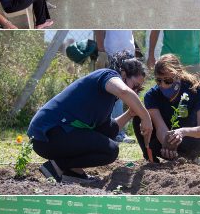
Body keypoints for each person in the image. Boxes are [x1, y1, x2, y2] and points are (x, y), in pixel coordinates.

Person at [27, 50, 153, 183]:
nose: (135, 92)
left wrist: (130, 114)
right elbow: (124, 91)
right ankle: (57, 165)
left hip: (54, 137)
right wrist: (146, 117)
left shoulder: (108, 99)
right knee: (110, 150)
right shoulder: (108, 75)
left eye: (139, 89)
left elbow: (108, 129)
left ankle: (72, 172)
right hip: (47, 134)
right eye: (135, 86)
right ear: (123, 74)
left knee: (108, 145)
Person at [134, 54, 200, 163]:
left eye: (168, 80)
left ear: (178, 75)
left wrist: (182, 132)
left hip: (192, 140)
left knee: (191, 145)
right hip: (165, 143)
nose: (163, 85)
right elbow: (160, 128)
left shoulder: (195, 90)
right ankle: (151, 158)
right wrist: (168, 144)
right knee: (139, 117)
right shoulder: (151, 96)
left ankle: (189, 157)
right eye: (158, 81)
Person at [95, 30, 138, 143]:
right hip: (111, 54)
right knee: (116, 95)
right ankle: (115, 132)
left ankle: (117, 131)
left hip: (129, 54)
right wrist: (101, 51)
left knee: (123, 95)